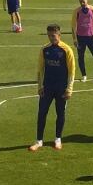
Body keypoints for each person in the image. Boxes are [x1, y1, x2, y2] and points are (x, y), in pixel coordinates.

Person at [29, 23, 75, 152]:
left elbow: (72, 71)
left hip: (61, 88)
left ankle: (58, 139)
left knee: (60, 113)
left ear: (59, 35)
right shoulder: (44, 49)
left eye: (53, 35)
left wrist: (69, 89)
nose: (51, 38)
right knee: (41, 113)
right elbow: (40, 69)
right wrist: (40, 86)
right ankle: (39, 141)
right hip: (47, 87)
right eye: (49, 35)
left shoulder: (66, 50)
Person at [71, 0, 93, 82]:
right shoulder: (77, 11)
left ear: (87, 0)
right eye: (81, 2)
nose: (82, 3)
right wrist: (74, 39)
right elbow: (73, 26)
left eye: (84, 2)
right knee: (81, 57)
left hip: (91, 37)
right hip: (80, 37)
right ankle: (84, 75)